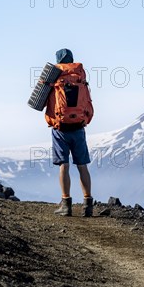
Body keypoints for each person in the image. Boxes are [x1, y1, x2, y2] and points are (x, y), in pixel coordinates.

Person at [44, 48, 94, 217]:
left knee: (63, 165)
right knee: (82, 166)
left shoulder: (52, 76)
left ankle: (66, 204)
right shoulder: (80, 75)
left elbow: (38, 103)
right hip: (78, 127)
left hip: (60, 129)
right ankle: (88, 204)